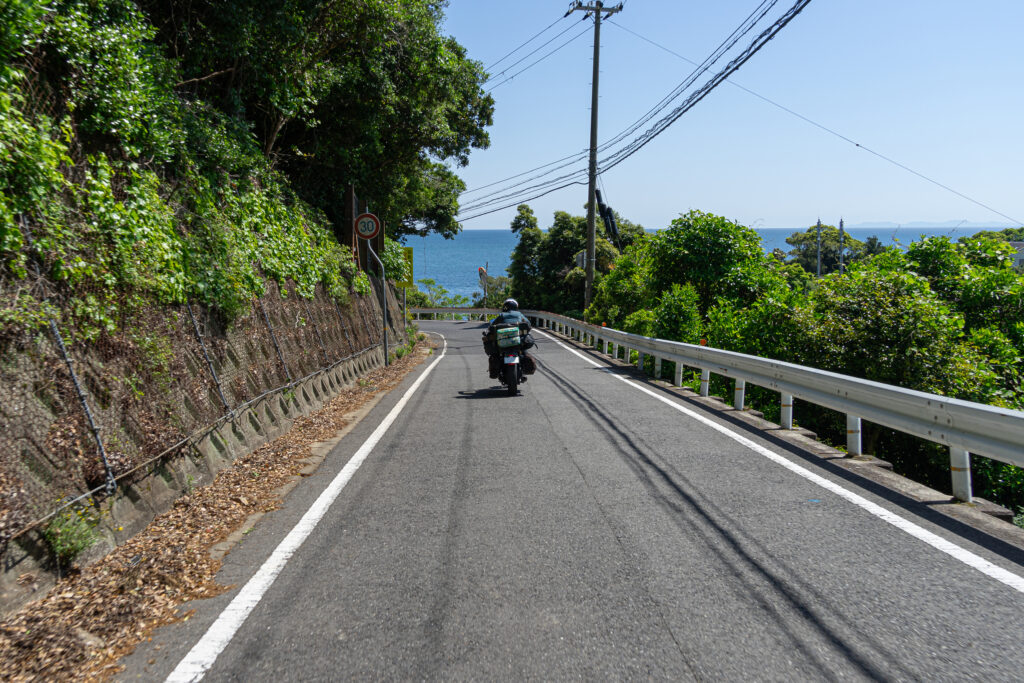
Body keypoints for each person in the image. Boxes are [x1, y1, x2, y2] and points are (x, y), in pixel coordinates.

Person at [483, 298, 535, 379]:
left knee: (496, 354)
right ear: (516, 307)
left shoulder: (502, 315)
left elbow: (492, 326)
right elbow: (528, 324)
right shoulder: (519, 314)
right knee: (524, 352)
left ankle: (496, 371)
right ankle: (525, 369)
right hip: (517, 342)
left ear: (505, 307)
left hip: (503, 343)